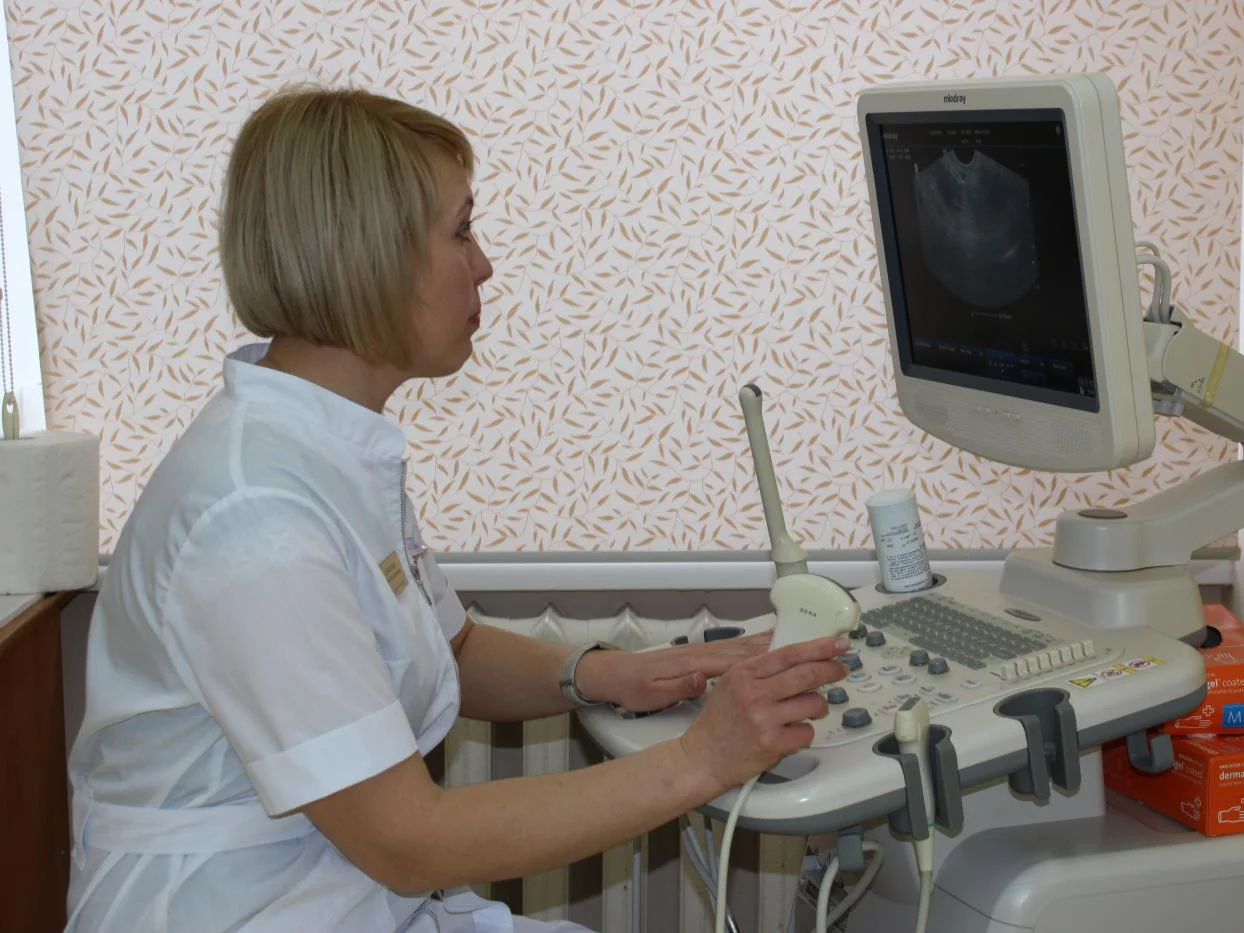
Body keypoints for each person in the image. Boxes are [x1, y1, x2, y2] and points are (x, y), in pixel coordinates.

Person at [64, 87, 849, 932]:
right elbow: (410, 841)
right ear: (368, 256)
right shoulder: (254, 515)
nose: (484, 266)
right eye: (462, 231)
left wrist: (604, 673)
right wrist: (703, 758)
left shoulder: (326, 447)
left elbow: (449, 647)